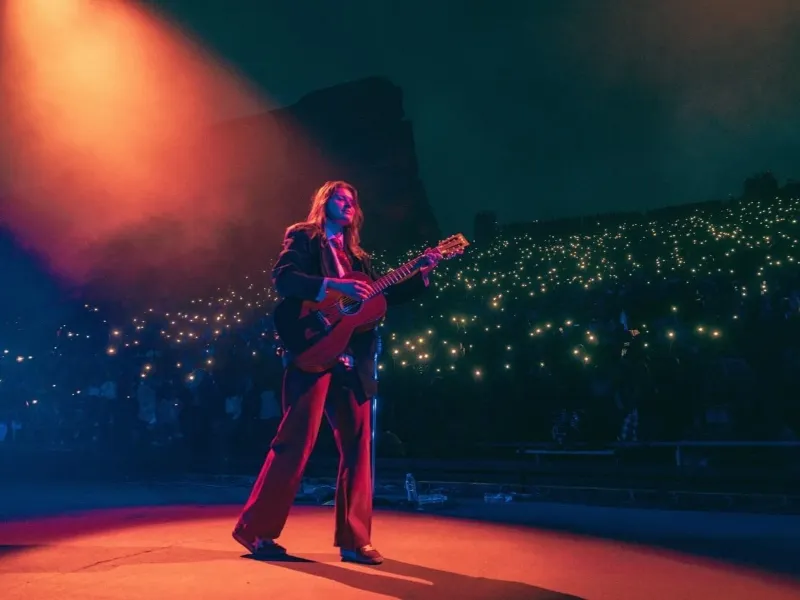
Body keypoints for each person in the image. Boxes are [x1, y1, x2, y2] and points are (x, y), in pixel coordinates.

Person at [232, 180, 442, 565]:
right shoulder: (304, 237)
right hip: (313, 347)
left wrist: (420, 272)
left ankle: (355, 539)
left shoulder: (358, 257)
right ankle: (258, 532)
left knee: (359, 448)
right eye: (340, 198)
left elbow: (381, 295)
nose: (348, 204)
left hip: (352, 360)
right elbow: (284, 279)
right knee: (295, 441)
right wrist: (333, 284)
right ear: (325, 203)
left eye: (352, 201)